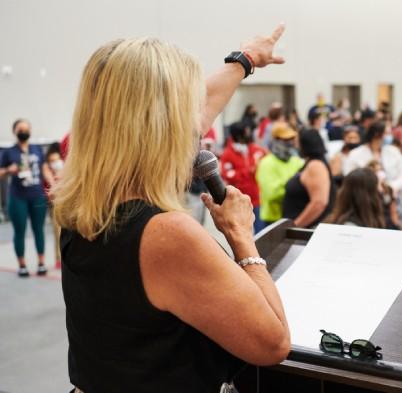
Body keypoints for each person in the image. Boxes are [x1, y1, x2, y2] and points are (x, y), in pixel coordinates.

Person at [52, 27, 291, 392]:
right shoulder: (165, 235)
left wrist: (244, 61)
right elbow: (272, 344)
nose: (199, 127)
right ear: (162, 126)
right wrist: (242, 236)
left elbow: (204, 108)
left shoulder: (78, 204)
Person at [0, 119, 53, 277]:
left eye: (26, 128)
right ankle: (22, 265)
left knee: (39, 230)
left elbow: (44, 169)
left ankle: (41, 262)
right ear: (14, 131)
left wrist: (53, 184)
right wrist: (9, 169)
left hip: (37, 195)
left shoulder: (36, 149)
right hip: (18, 198)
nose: (23, 131)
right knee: (20, 231)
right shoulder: (9, 152)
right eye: (20, 129)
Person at [282, 129, 336, 228]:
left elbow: (319, 203)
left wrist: (295, 226)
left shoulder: (315, 166)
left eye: (297, 142)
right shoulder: (311, 163)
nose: (295, 145)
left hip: (307, 231)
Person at [220, 122, 267, 233]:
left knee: (261, 232)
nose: (249, 134)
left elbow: (265, 158)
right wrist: (247, 171)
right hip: (239, 201)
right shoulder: (228, 154)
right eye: (247, 132)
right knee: (242, 233)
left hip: (257, 199)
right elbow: (228, 175)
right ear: (239, 135)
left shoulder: (254, 149)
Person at [256, 123, 305, 226]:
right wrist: (294, 187)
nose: (290, 143)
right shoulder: (266, 163)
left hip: (295, 217)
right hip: (273, 220)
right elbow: (271, 194)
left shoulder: (297, 161)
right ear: (275, 141)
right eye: (286, 140)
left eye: (292, 139)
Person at [344, 121, 402, 196]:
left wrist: (390, 187)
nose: (390, 136)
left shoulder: (394, 151)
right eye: (387, 133)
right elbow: (348, 176)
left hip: (391, 197)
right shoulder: (355, 154)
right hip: (364, 197)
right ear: (376, 134)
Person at [45, 143, 64, 269]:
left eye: (56, 160)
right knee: (57, 231)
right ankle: (58, 259)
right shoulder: (47, 169)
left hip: (66, 200)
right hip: (55, 203)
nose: (55, 162)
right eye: (52, 160)